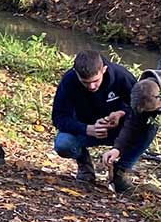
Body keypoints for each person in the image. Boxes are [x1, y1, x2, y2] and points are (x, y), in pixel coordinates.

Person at [50, 48, 137, 187]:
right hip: (86, 129)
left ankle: (122, 171)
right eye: (85, 82)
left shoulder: (122, 76)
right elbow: (58, 117)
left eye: (96, 81)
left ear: (104, 70)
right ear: (76, 73)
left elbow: (141, 108)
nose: (91, 86)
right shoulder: (69, 81)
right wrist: (87, 129)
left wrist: (122, 113)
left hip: (119, 130)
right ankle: (84, 164)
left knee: (147, 128)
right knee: (63, 144)